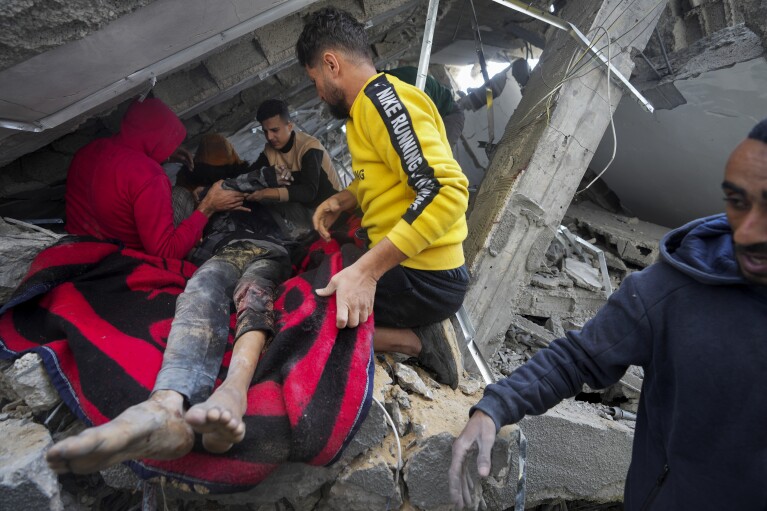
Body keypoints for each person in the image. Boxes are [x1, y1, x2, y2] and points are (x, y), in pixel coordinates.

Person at [448, 120, 767, 509]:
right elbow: (579, 357)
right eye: (737, 201)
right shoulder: (675, 286)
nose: (748, 232)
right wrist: (495, 407)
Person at [296, 7, 471, 389]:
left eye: (314, 81)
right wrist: (345, 199)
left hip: (427, 278)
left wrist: (367, 272)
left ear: (330, 64)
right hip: (418, 270)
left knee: (302, 316)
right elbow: (391, 176)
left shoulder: (383, 103)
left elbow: (447, 190)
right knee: (312, 283)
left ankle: (417, 340)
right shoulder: (367, 109)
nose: (318, 92)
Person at [65, 98, 248, 259]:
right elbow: (166, 252)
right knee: (181, 194)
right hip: (122, 259)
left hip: (82, 244)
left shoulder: (88, 151)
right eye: (167, 140)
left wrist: (163, 153)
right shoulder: (150, 177)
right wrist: (207, 208)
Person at [382, 66, 464, 153]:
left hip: (449, 113)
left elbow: (419, 123)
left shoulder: (412, 83)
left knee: (438, 152)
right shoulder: (387, 87)